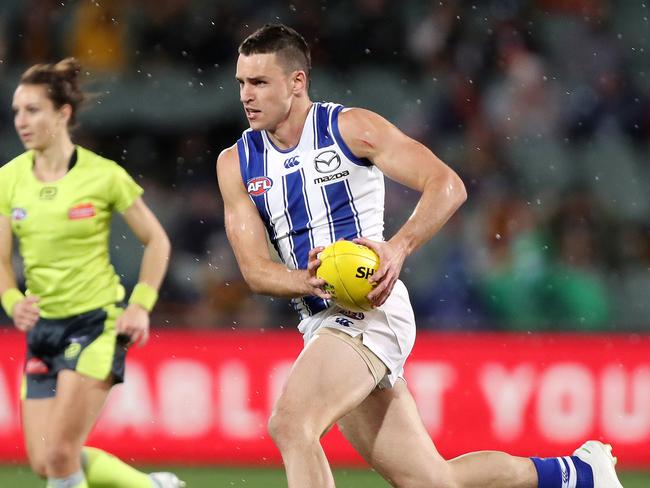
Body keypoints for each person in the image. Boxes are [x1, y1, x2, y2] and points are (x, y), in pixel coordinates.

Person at [216, 23, 623, 488]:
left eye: (260, 82)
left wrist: (397, 247)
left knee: (291, 424)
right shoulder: (236, 163)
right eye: (242, 84)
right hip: (321, 323)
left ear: (297, 82)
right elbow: (254, 270)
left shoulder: (349, 128)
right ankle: (576, 472)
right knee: (432, 482)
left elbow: (447, 184)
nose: (247, 95)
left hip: (370, 307)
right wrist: (307, 281)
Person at [0, 59, 184, 488]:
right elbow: (1, 260)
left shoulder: (103, 175)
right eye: (16, 111)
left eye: (32, 110)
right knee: (46, 462)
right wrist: (11, 301)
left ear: (63, 113)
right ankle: (154, 487)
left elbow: (157, 241)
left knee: (62, 453)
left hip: (95, 325)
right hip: (43, 330)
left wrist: (140, 305)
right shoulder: (8, 179)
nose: (21, 121)